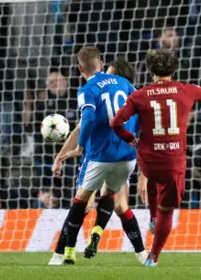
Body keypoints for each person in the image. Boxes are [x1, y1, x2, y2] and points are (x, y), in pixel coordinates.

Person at [111, 50, 201, 266]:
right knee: (167, 210)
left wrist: (129, 138)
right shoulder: (187, 90)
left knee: (153, 179)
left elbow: (116, 122)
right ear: (173, 70)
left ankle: (151, 217)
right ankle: (153, 256)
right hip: (173, 162)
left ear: (150, 71)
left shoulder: (139, 95)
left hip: (148, 160)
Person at [49, 47, 146, 265]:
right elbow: (141, 115)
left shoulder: (90, 90)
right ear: (101, 64)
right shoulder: (126, 87)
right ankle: (139, 252)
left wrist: (74, 150)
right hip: (126, 154)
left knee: (82, 202)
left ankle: (63, 253)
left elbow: (86, 122)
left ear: (79, 68)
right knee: (119, 204)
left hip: (99, 154)